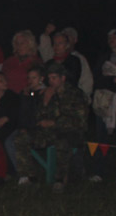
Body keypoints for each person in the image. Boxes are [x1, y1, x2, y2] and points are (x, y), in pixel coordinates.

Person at [14, 62, 87, 192]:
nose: (51, 81)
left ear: (62, 78)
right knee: (21, 138)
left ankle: (59, 180)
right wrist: (41, 99)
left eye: (54, 78)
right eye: (49, 79)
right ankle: (30, 177)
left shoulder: (75, 94)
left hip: (68, 132)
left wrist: (54, 123)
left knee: (63, 141)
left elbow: (79, 120)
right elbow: (37, 114)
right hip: (47, 132)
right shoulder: (46, 93)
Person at [89, 28, 116, 183]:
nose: (111, 40)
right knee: (101, 137)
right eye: (109, 37)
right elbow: (97, 79)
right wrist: (114, 81)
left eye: (114, 37)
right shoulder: (103, 57)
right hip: (104, 102)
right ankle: (99, 172)